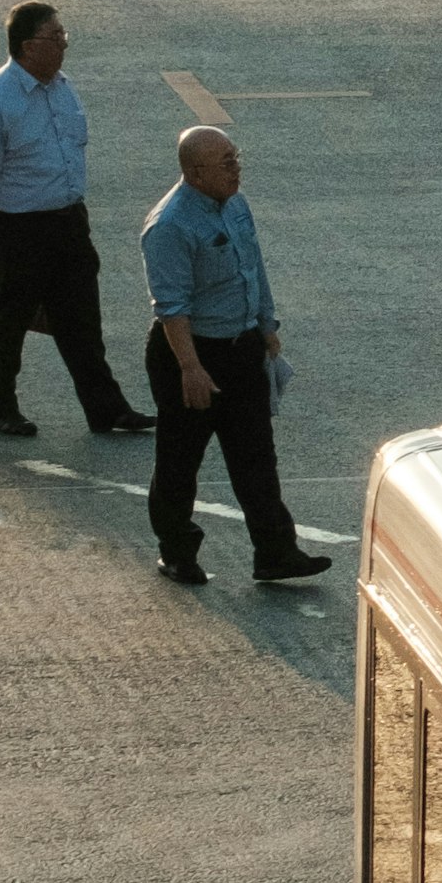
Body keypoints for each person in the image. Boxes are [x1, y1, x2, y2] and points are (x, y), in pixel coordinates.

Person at [139, 125, 331, 593]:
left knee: (256, 458)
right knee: (180, 461)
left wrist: (266, 326)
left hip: (241, 346)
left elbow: (253, 265)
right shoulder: (170, 226)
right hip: (192, 354)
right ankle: (177, 552)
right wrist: (190, 368)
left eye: (235, 157)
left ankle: (275, 553)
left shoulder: (236, 204)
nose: (236, 168)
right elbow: (172, 306)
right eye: (225, 163)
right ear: (194, 172)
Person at [0, 0, 152, 444]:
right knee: (8, 322)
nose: (64, 44)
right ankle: (0, 409)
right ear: (29, 47)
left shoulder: (62, 87)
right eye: (56, 36)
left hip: (69, 222)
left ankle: (106, 409)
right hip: (21, 228)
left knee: (82, 321)